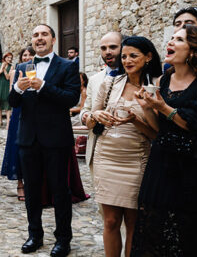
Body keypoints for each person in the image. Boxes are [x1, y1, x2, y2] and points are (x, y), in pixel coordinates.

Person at [131, 25, 197, 256]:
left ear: (193, 50)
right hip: (161, 165)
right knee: (153, 231)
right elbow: (160, 128)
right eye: (171, 38)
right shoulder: (165, 79)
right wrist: (148, 108)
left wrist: (164, 108)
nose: (170, 42)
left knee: (187, 235)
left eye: (178, 39)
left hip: (192, 169)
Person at [84, 36, 160, 257]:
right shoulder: (110, 84)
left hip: (137, 159)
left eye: (133, 56)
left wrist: (138, 117)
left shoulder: (156, 86)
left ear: (148, 57)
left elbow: (156, 133)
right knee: (110, 221)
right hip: (106, 157)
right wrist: (95, 115)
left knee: (134, 224)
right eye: (124, 56)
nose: (127, 60)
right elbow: (88, 118)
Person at [9, 24, 80, 257]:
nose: (39, 39)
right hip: (28, 139)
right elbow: (12, 102)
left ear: (53, 39)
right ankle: (35, 235)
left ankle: (63, 239)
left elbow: (71, 98)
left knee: (60, 190)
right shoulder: (22, 67)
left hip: (56, 139)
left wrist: (45, 87)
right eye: (35, 35)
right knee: (31, 191)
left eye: (44, 35)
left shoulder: (67, 66)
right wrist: (18, 89)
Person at [80, 31, 123, 177]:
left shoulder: (136, 77)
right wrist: (87, 116)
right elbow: (85, 109)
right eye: (103, 48)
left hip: (126, 150)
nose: (108, 52)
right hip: (98, 145)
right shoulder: (94, 79)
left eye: (113, 47)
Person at [1, 46, 35, 201]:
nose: (27, 58)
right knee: (16, 146)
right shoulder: (17, 72)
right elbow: (11, 95)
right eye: (25, 55)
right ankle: (20, 183)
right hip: (18, 111)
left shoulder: (37, 71)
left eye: (30, 55)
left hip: (33, 111)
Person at [0, 52, 13, 128]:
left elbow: (8, 77)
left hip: (6, 85)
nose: (9, 59)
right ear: (5, 58)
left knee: (7, 103)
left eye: (11, 58)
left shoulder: (11, 67)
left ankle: (8, 123)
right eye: (8, 57)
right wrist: (1, 71)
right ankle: (0, 121)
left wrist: (5, 70)